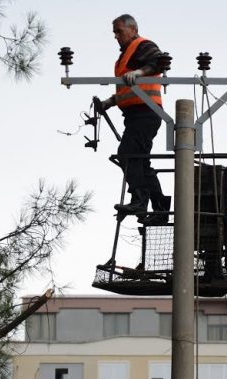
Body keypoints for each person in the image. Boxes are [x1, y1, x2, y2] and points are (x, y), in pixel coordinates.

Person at [101, 14, 170, 225]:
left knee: (127, 154)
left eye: (119, 31)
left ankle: (139, 200)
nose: (116, 36)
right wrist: (110, 101)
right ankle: (159, 209)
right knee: (140, 161)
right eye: (114, 32)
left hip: (146, 113)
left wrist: (139, 72)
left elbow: (159, 63)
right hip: (135, 115)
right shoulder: (125, 56)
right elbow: (128, 88)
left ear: (133, 29)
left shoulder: (143, 45)